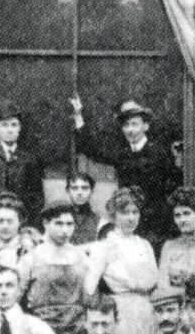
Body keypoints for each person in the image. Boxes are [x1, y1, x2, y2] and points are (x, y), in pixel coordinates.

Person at [71, 97, 181, 250]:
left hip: (156, 226)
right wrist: (78, 116)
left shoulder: (160, 153)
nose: (130, 130)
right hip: (128, 223)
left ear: (146, 126)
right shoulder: (122, 154)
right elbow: (92, 149)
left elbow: (173, 186)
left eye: (135, 124)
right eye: (126, 125)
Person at [84, 186, 159, 334]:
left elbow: (154, 281)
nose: (131, 218)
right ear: (113, 215)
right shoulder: (104, 246)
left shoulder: (145, 245)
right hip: (121, 313)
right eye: (125, 212)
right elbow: (89, 290)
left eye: (135, 212)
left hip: (149, 309)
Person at [0, 99, 45, 241]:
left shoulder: (29, 158)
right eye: (4, 125)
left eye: (14, 125)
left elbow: (36, 196)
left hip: (21, 224)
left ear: (20, 128)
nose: (9, 130)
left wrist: (32, 227)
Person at [17, 200, 89, 334]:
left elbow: (89, 296)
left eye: (69, 224)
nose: (65, 230)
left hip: (76, 329)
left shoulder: (81, 256)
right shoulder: (31, 258)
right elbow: (16, 297)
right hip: (41, 329)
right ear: (45, 223)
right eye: (58, 224)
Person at [66, 172, 101, 247]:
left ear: (91, 191)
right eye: (74, 188)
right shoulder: (60, 219)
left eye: (84, 188)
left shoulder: (98, 222)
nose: (79, 193)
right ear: (68, 191)